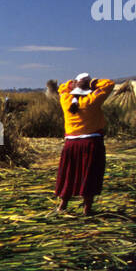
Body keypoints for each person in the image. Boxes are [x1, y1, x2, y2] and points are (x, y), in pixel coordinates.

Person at [55, 72, 115, 216]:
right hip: (91, 144)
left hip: (71, 145)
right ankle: (87, 209)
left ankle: (62, 206)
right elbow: (109, 84)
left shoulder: (65, 99)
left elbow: (61, 88)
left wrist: (73, 84)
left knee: (69, 173)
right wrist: (92, 83)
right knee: (89, 174)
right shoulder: (92, 100)